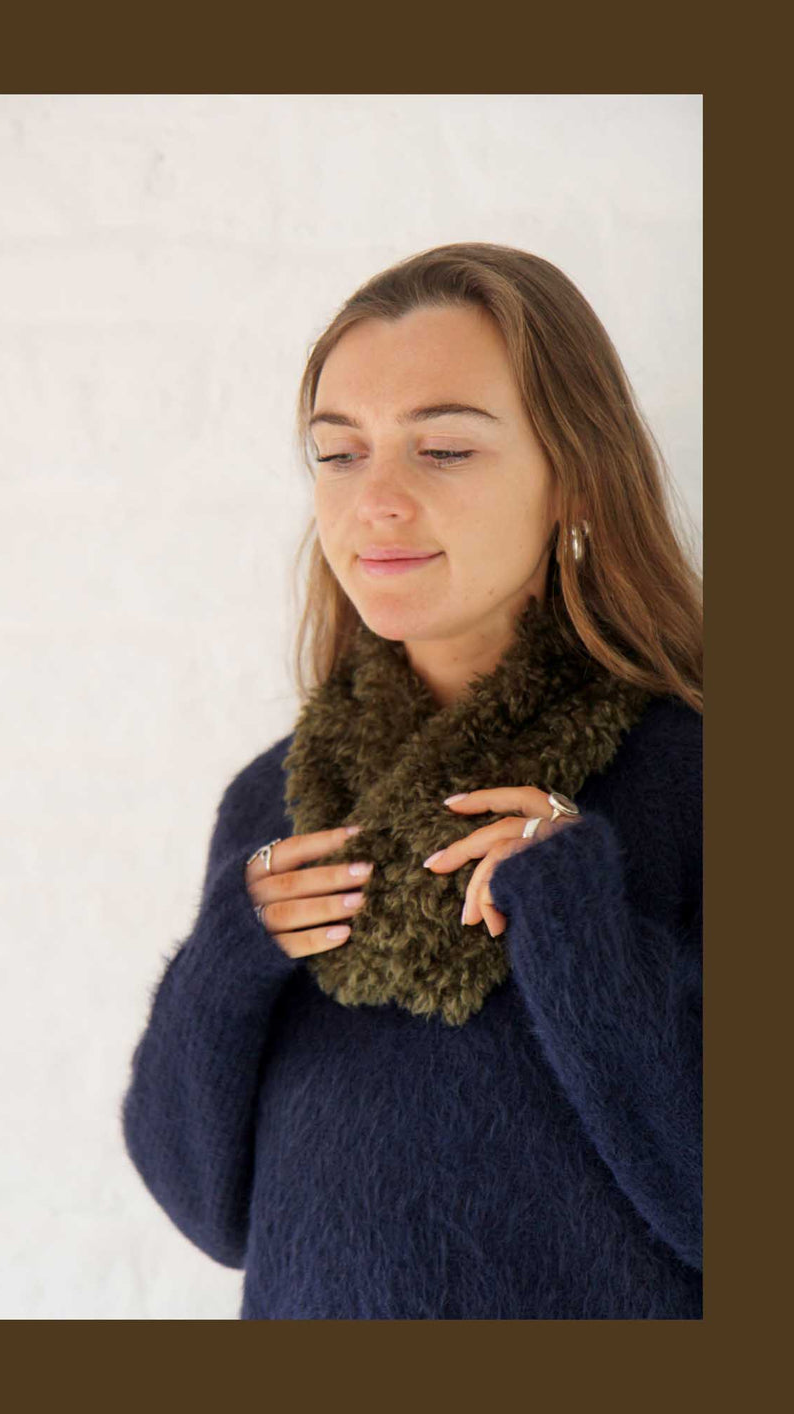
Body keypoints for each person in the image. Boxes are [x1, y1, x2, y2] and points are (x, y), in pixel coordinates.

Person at [120, 242, 702, 1320]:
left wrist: (576, 914)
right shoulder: (275, 801)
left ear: (574, 474)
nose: (373, 501)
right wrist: (230, 958)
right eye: (337, 454)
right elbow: (208, 1210)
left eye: (441, 448)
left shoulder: (696, 773)